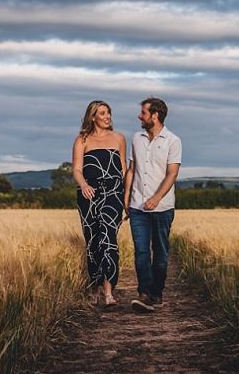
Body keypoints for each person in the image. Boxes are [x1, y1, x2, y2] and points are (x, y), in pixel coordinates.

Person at [123, 97, 181, 313]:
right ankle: (144, 293)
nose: (140, 116)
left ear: (155, 115)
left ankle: (157, 293)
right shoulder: (136, 138)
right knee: (140, 252)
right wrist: (126, 196)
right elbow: (131, 169)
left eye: (143, 113)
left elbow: (172, 173)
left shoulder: (173, 141)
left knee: (161, 254)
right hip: (137, 205)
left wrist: (156, 198)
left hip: (162, 207)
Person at [72, 100, 127, 309]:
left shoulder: (119, 138)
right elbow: (76, 169)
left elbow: (123, 170)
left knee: (108, 237)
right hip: (89, 194)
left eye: (109, 113)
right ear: (92, 116)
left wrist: (127, 196)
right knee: (93, 240)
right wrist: (84, 185)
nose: (107, 117)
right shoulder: (82, 140)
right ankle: (94, 287)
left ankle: (108, 291)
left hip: (113, 193)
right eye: (102, 113)